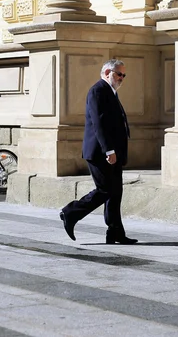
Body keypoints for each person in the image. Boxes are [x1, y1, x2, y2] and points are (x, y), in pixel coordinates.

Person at [59, 59, 138, 244]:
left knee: (115, 192)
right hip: (100, 153)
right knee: (105, 190)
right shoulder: (98, 90)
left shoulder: (110, 92)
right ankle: (70, 213)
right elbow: (99, 123)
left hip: (113, 153)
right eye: (119, 74)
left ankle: (115, 232)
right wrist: (109, 150)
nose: (122, 78)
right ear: (107, 72)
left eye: (124, 75)